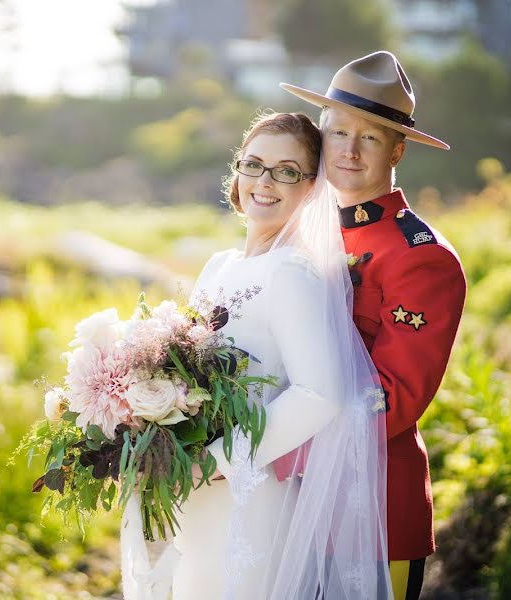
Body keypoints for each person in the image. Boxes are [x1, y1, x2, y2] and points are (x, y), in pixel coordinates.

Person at [120, 112, 392, 599]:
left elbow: (319, 394)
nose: (265, 182)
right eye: (254, 165)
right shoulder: (220, 264)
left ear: (311, 188)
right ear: (237, 173)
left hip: (249, 498)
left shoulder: (294, 274)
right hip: (200, 493)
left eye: (287, 171)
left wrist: (219, 460)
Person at [281, 50, 468, 599]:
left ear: (398, 149)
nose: (348, 150)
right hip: (288, 509)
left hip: (369, 515)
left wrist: (270, 450)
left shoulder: (420, 256)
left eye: (369, 137)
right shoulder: (305, 233)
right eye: (338, 132)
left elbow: (391, 398)